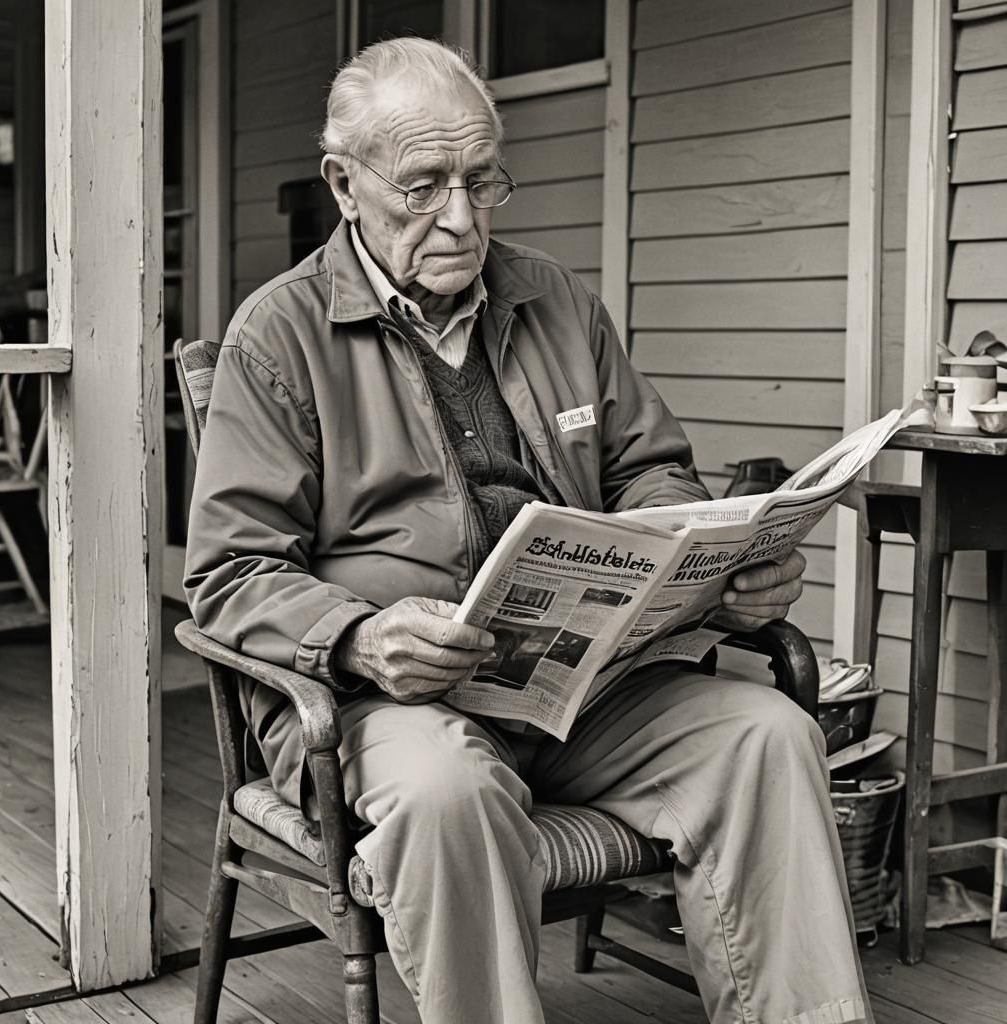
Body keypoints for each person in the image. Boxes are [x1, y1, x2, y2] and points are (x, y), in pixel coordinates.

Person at [185, 37, 873, 1024]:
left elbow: (651, 474)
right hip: (394, 704)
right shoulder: (279, 335)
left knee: (767, 733)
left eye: (482, 180)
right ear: (345, 183)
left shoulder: (554, 299)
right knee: (448, 796)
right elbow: (229, 570)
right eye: (423, 186)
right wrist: (362, 636)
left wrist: (722, 570)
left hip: (584, 685)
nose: (462, 219)